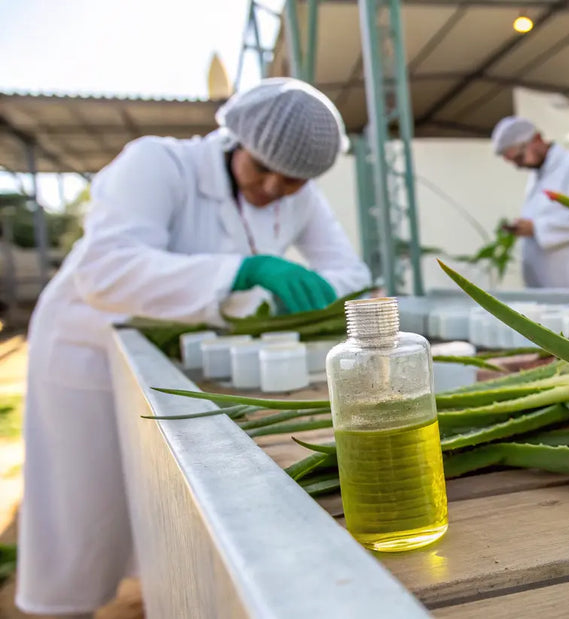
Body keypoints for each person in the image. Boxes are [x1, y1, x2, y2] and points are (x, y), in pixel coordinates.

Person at [16, 78, 371, 617]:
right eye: (262, 169)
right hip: (86, 347)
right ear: (236, 142)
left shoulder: (302, 196)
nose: (274, 187)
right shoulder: (159, 164)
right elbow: (104, 271)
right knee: (83, 504)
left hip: (171, 353)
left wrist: (316, 293)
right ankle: (63, 607)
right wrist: (240, 273)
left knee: (159, 500)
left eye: (293, 180)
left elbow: (349, 270)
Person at [490, 116, 569, 291]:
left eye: (519, 158)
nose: (519, 166)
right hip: (550, 284)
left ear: (537, 140)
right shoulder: (537, 175)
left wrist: (535, 228)